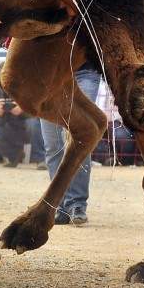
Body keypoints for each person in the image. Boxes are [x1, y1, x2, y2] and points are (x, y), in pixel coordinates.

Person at [40, 65, 101, 226]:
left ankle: (77, 204)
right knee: (53, 144)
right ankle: (58, 205)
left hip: (83, 70)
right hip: (47, 75)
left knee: (79, 139)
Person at [0, 82, 38, 166]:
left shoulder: (27, 84)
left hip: (28, 123)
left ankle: (40, 159)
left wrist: (23, 109)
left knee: (34, 123)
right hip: (10, 125)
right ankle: (14, 156)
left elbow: (38, 111)